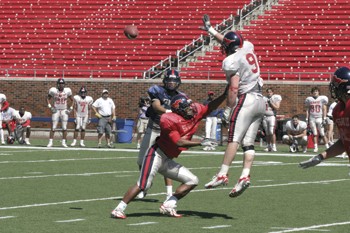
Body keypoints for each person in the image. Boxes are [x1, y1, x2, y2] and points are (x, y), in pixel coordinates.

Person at [111, 89, 228, 219]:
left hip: (167, 159)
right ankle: (119, 209)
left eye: (190, 105)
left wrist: (224, 95)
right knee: (144, 184)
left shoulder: (194, 112)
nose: (191, 108)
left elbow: (209, 107)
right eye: (187, 107)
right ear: (178, 110)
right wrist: (201, 142)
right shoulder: (170, 120)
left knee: (192, 180)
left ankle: (169, 204)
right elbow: (179, 142)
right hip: (156, 154)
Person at [201, 14, 265, 198]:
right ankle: (244, 176)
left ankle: (222, 174)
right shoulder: (248, 46)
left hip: (247, 99)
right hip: (261, 100)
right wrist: (212, 31)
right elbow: (230, 42)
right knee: (248, 143)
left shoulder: (230, 61)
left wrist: (228, 108)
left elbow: (234, 87)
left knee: (233, 139)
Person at [136, 69, 182, 199]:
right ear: (165, 81)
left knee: (166, 162)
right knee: (141, 161)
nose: (171, 83)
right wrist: (170, 112)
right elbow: (156, 107)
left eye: (174, 80)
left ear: (178, 82)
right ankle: (145, 185)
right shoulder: (157, 90)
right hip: (153, 128)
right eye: (169, 80)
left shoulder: (180, 97)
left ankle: (168, 192)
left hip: (167, 132)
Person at [299, 67, 350, 169]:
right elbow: (344, 142)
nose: (333, 89)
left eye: (335, 86)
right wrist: (321, 157)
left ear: (344, 87)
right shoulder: (337, 109)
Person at [46, 78, 74, 148]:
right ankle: (50, 142)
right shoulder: (53, 90)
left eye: (62, 84)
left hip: (64, 110)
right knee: (53, 127)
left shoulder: (67, 91)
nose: (61, 85)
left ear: (64, 84)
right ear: (57, 84)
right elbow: (47, 98)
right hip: (56, 110)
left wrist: (70, 108)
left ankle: (63, 142)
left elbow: (73, 100)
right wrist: (50, 107)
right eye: (60, 84)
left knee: (64, 127)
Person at [305, 86, 329, 152]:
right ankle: (315, 147)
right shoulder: (309, 99)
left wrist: (324, 118)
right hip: (312, 118)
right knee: (314, 133)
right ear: (312, 93)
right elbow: (308, 109)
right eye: (314, 91)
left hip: (319, 117)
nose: (315, 92)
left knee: (322, 133)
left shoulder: (322, 98)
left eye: (316, 91)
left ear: (318, 92)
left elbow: (324, 109)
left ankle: (327, 146)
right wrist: (307, 118)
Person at [262, 88, 282, 152]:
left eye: (270, 92)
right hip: (265, 116)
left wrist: (270, 103)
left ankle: (274, 146)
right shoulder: (263, 98)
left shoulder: (275, 98)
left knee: (271, 132)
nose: (269, 93)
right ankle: (268, 146)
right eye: (268, 92)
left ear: (273, 92)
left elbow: (277, 108)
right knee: (267, 133)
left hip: (272, 116)